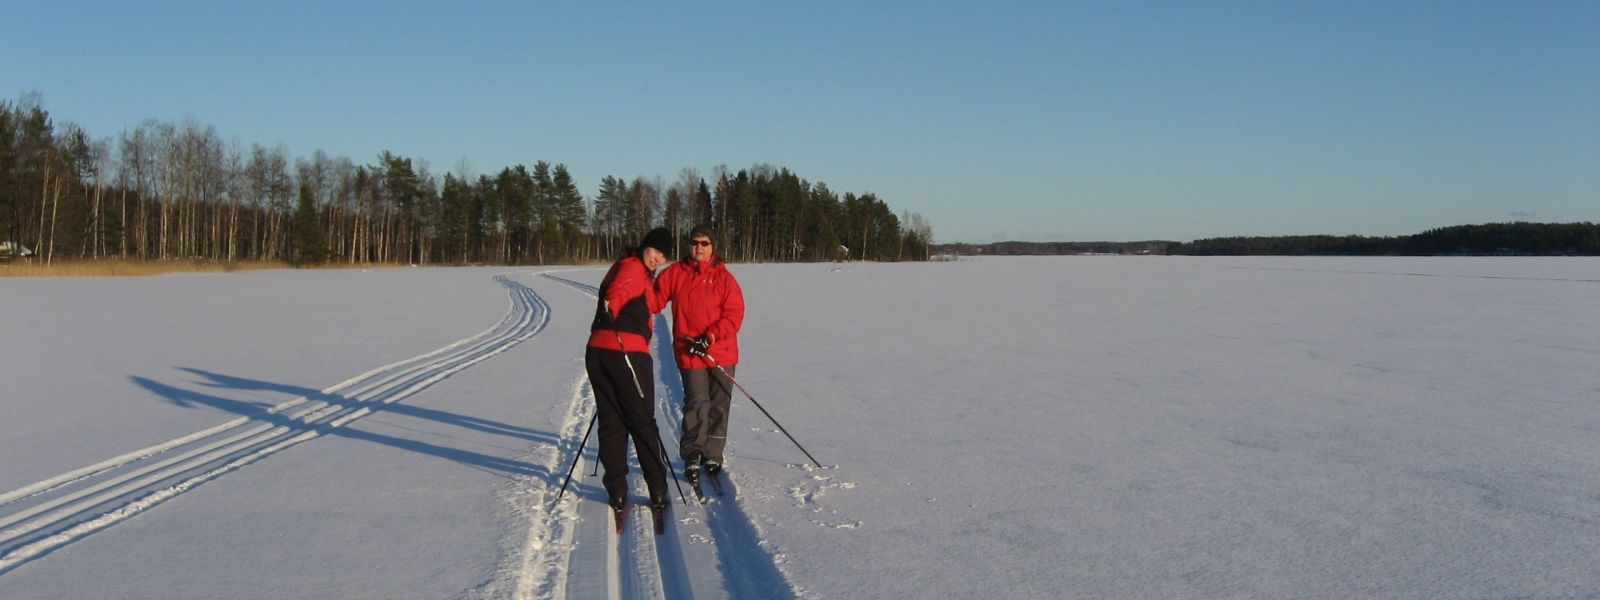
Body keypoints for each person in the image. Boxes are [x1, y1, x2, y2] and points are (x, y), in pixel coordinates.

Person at [586, 227, 675, 515]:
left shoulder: (628, 266)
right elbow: (617, 293)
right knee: (641, 421)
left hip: (598, 351)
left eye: (663, 255)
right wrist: (611, 309)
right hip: (625, 352)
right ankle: (658, 488)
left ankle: (617, 491)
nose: (658, 258)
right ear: (644, 246)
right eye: (655, 250)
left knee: (611, 420)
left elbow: (645, 301)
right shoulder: (633, 268)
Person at [655, 224, 745, 485]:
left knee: (719, 404)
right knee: (697, 403)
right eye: (695, 242)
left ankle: (713, 454)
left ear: (712, 247)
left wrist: (711, 336)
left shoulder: (724, 278)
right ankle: (693, 452)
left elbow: (734, 315)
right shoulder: (676, 273)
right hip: (690, 351)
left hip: (721, 352)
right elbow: (654, 300)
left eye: (705, 243)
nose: (699, 248)